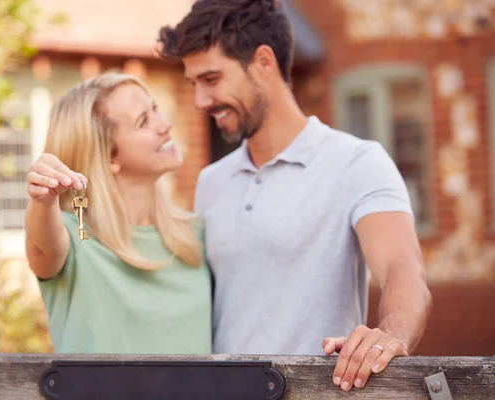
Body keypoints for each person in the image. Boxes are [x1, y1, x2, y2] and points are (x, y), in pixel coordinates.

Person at [157, 0, 432, 392]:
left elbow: (402, 270)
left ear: (264, 62)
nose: (201, 101)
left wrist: (390, 335)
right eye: (194, 84)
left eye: (212, 79)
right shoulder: (211, 181)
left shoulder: (356, 162)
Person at [24, 72, 212, 354]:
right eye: (144, 121)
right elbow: (43, 242)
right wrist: (43, 199)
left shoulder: (195, 234)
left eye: (155, 110)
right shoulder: (77, 239)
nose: (165, 125)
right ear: (110, 156)